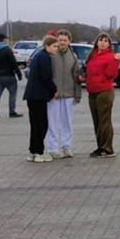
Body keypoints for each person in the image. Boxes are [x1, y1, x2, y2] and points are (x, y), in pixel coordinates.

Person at [46, 29, 81, 158]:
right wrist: (50, 91)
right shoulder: (51, 55)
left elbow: (77, 76)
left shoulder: (73, 56)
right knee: (53, 123)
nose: (62, 42)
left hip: (69, 94)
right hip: (53, 95)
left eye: (65, 40)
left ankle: (67, 146)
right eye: (60, 40)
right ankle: (52, 148)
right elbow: (46, 75)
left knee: (67, 123)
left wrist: (77, 94)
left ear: (69, 41)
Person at [85, 33, 120, 158]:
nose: (103, 43)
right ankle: (100, 147)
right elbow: (89, 73)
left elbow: (111, 74)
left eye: (106, 41)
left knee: (104, 121)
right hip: (92, 92)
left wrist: (116, 61)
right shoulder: (92, 56)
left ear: (109, 44)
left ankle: (107, 148)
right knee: (97, 121)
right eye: (101, 40)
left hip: (104, 92)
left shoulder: (111, 57)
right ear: (97, 42)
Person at [24, 35, 58, 163]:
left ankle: (32, 152)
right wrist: (54, 90)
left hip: (32, 96)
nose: (56, 48)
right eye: (54, 46)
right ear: (47, 46)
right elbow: (46, 77)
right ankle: (39, 152)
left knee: (35, 125)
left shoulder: (39, 55)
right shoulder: (44, 57)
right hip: (38, 96)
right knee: (41, 125)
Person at [0, 33, 23, 119]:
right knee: (12, 94)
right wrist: (19, 73)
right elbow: (13, 63)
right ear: (3, 39)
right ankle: (12, 112)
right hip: (9, 75)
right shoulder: (7, 50)